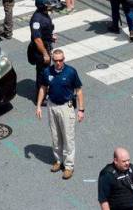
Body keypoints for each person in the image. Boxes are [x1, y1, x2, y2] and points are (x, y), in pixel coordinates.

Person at [35, 49, 85, 180]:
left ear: (64, 59)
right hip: (52, 106)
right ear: (52, 60)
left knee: (68, 138)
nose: (58, 63)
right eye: (55, 60)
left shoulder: (71, 72)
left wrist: (81, 110)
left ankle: (68, 166)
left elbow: (79, 91)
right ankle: (58, 161)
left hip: (65, 107)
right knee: (55, 136)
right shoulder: (47, 72)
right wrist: (39, 105)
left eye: (61, 60)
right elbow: (43, 88)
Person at [29, 0, 58, 90]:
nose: (51, 5)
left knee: (46, 72)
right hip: (40, 51)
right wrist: (45, 54)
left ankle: (45, 90)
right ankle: (41, 97)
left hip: (46, 46)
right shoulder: (37, 20)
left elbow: (43, 32)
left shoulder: (44, 14)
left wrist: (50, 36)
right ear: (43, 5)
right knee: (42, 73)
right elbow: (37, 39)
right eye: (48, 4)